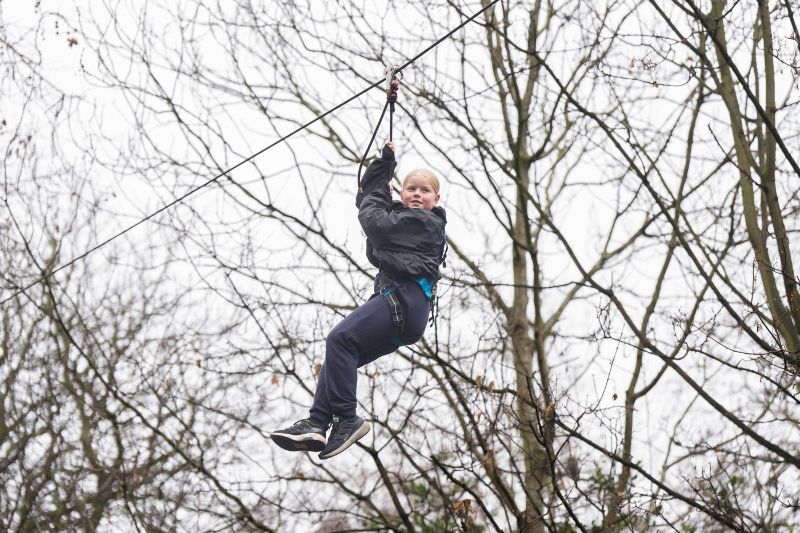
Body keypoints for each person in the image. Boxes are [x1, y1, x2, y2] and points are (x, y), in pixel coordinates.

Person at [271, 141, 447, 459]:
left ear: (436, 200)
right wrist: (383, 167)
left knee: (340, 339)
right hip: (405, 310)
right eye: (411, 189)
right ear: (401, 192)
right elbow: (371, 208)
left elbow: (375, 223)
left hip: (404, 300)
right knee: (340, 358)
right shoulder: (404, 222)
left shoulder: (425, 223)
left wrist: (379, 194)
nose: (417, 194)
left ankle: (347, 418)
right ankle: (318, 422)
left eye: (425, 191)